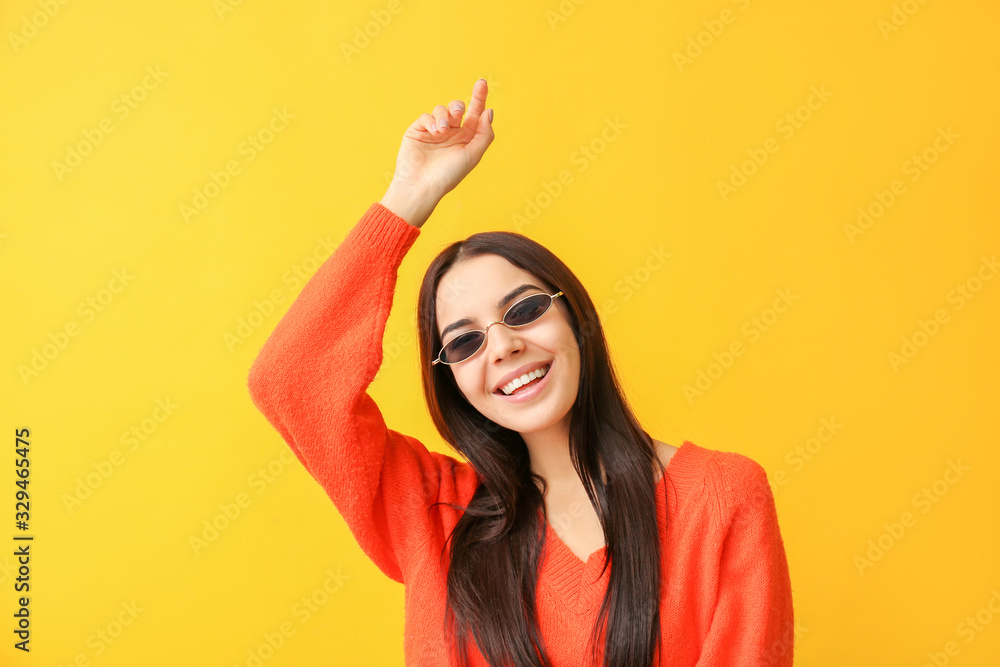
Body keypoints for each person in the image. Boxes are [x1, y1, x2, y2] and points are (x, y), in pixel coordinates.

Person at [247, 78, 795, 666]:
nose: (503, 347)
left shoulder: (722, 498)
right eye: (463, 342)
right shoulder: (435, 515)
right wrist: (408, 197)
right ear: (450, 379)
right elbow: (290, 380)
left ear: (575, 316)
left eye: (525, 310)